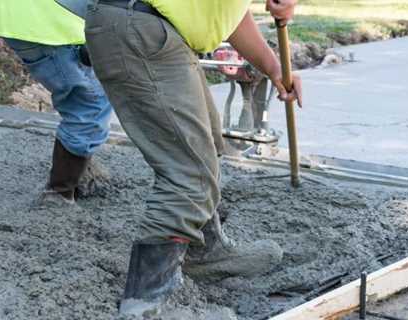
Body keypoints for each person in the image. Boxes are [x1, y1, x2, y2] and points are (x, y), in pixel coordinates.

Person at [84, 0, 302, 315]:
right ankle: (145, 305)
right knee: (190, 174)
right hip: (143, 26)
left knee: (207, 146)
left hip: (158, 27)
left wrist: (273, 67)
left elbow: (230, 12)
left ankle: (204, 250)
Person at [0, 0, 113, 205]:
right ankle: (59, 194)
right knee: (89, 105)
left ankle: (79, 169)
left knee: (86, 96)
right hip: (50, 20)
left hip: (29, 14)